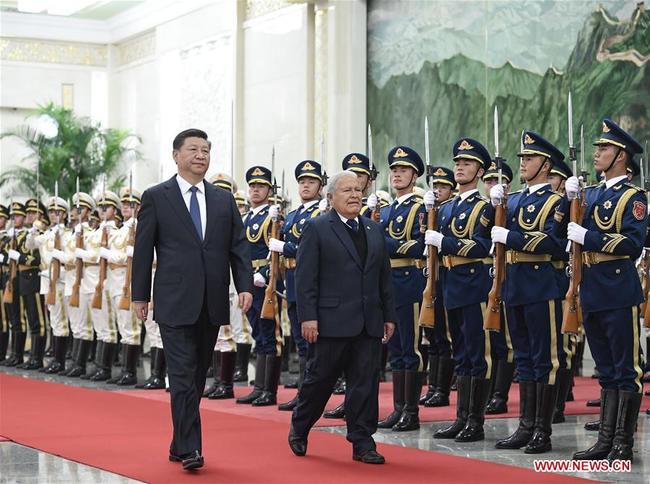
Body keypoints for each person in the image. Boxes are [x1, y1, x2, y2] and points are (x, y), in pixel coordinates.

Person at [132, 128, 253, 471]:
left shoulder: (222, 199)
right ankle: (190, 448)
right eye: (193, 149)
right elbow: (143, 251)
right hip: (173, 299)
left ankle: (177, 442)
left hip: (212, 301)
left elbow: (238, 247)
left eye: (205, 150)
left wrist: (244, 285)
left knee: (198, 376)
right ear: (176, 155)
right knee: (183, 375)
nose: (201, 155)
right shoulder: (157, 196)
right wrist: (140, 294)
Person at [288, 170, 396, 464]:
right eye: (346, 190)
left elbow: (383, 278)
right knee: (320, 381)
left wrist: (388, 315)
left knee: (365, 384)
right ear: (331, 197)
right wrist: (307, 317)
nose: (354, 195)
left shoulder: (374, 230)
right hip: (331, 321)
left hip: (368, 321)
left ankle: (362, 441)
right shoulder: (317, 228)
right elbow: (305, 278)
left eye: (357, 189)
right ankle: (300, 425)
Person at [564, 119, 646, 464]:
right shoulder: (591, 194)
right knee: (606, 369)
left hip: (618, 288)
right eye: (597, 148)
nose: (597, 153)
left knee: (625, 369)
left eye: (605, 148)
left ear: (621, 156)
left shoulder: (633, 197)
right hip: (593, 289)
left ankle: (623, 442)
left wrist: (590, 238)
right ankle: (606, 439)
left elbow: (631, 243)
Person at [489, 132, 569, 454]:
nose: (522, 163)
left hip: (541, 285)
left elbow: (551, 242)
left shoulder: (556, 201)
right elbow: (492, 234)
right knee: (522, 359)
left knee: (545, 360)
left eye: (530, 158)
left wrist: (511, 236)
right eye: (521, 158)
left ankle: (542, 429)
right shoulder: (515, 200)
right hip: (515, 286)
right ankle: (525, 425)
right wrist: (494, 204)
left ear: (545, 164)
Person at [426, 138, 494, 443]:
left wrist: (446, 244)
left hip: (473, 284)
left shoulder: (484, 207)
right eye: (458, 163)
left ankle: (474, 422)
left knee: (476, 353)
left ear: (479, 171)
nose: (460, 168)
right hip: (451, 283)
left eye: (467, 164)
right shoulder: (446, 207)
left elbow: (481, 245)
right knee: (460, 353)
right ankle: (461, 417)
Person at [376, 146, 427, 433]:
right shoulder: (384, 210)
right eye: (394, 170)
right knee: (394, 347)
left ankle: (411, 410)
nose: (396, 174)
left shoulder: (420, 208)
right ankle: (398, 408)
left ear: (415, 175)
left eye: (403, 170)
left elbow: (419, 246)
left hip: (409, 280)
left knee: (411, 348)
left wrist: (383, 243)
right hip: (388, 284)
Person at [269, 160, 324, 411]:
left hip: (309, 281)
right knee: (300, 340)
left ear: (320, 186)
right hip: (291, 280)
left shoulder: (320, 214)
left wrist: (284, 247)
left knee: (312, 340)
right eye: (302, 182)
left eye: (311, 181)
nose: (305, 186)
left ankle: (311, 394)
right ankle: (303, 392)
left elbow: (309, 250)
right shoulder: (293, 215)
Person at [236, 166, 284, 407]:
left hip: (266, 281)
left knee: (270, 334)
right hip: (248, 281)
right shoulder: (245, 218)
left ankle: (270, 390)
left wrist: (266, 273)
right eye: (253, 186)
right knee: (257, 333)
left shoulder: (272, 217)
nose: (256, 190)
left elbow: (275, 250)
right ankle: (259, 387)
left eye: (261, 186)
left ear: (269, 190)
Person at [481, 160, 516, 415]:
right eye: (488, 181)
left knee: (506, 341)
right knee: (491, 338)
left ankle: (499, 394)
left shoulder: (510, 206)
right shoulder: (483, 208)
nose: (491, 185)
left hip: (506, 278)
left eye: (496, 181)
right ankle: (489, 390)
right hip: (487, 279)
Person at [419, 166, 456, 409]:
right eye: (435, 186)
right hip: (433, 276)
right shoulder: (433, 212)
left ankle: (442, 389)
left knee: (446, 336)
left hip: (447, 275)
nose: (437, 190)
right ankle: (433, 387)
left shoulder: (449, 211)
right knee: (432, 335)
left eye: (443, 186)